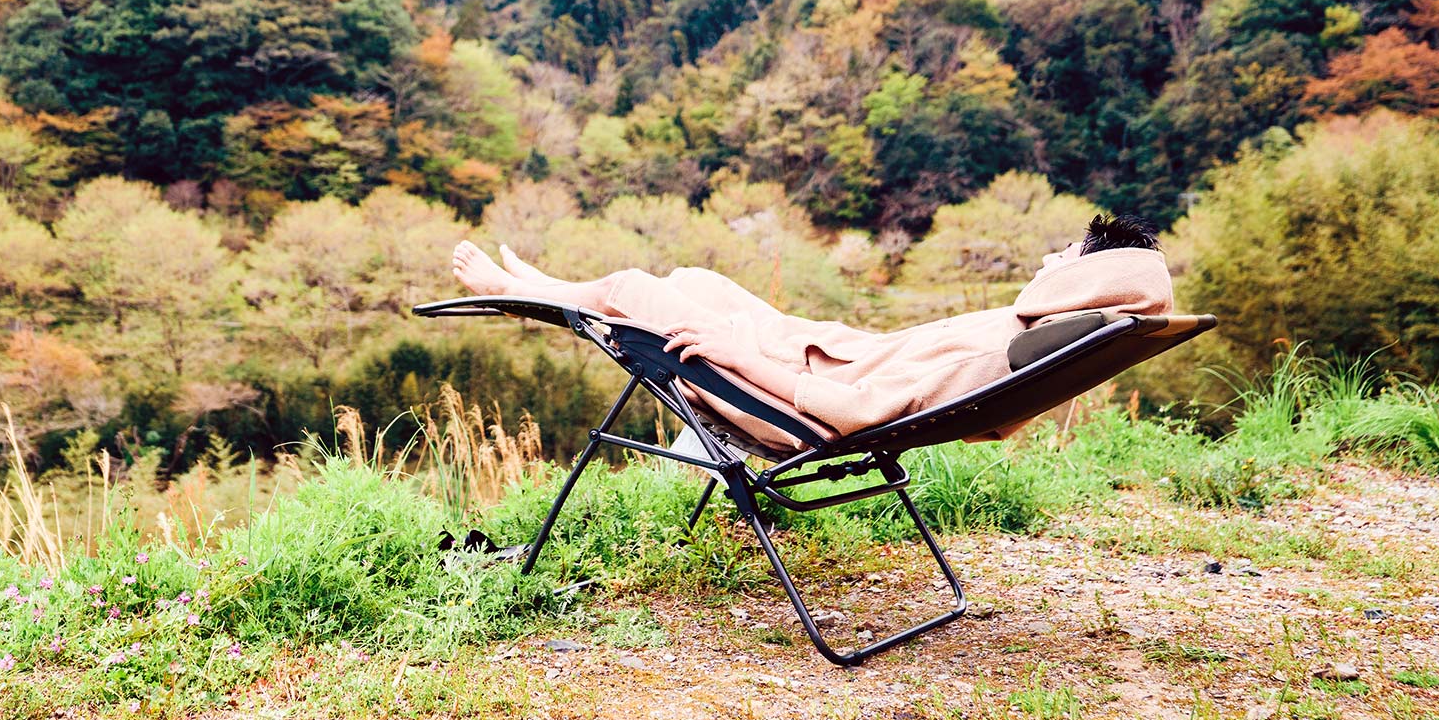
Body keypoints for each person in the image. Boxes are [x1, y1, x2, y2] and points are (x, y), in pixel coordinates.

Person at [449, 214, 1174, 444]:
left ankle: (519, 292)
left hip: (800, 401)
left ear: (1082, 279)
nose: (1048, 258)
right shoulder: (1035, 331)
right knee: (694, 282)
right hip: (826, 357)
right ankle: (534, 287)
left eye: (1066, 257)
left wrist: (738, 352)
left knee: (637, 289)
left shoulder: (1005, 348)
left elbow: (859, 412)